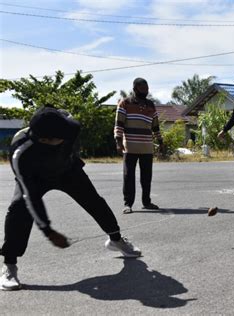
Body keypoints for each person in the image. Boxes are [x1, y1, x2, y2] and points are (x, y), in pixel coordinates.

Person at [0, 107, 141, 291]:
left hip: (67, 170)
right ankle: (9, 265)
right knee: (18, 210)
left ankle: (116, 240)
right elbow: (30, 196)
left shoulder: (69, 125)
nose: (68, 136)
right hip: (35, 178)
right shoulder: (21, 152)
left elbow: (71, 134)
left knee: (95, 202)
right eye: (61, 137)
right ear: (44, 139)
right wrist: (48, 230)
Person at [115, 78, 162, 214]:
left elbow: (156, 126)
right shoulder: (125, 103)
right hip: (130, 146)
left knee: (146, 177)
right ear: (135, 89)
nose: (146, 91)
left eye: (147, 89)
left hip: (147, 147)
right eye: (143, 89)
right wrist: (118, 142)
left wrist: (160, 141)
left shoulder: (151, 105)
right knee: (128, 176)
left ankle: (146, 202)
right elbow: (119, 124)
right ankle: (127, 204)